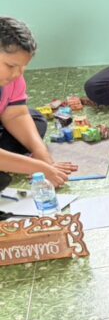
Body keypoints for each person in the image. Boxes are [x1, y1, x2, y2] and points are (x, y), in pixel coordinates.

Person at [0, 17, 77, 191]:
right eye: (11, 66)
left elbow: (16, 114)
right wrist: (37, 167)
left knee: (36, 120)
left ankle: (9, 161)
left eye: (23, 67)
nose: (17, 74)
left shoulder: (12, 77)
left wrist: (43, 157)